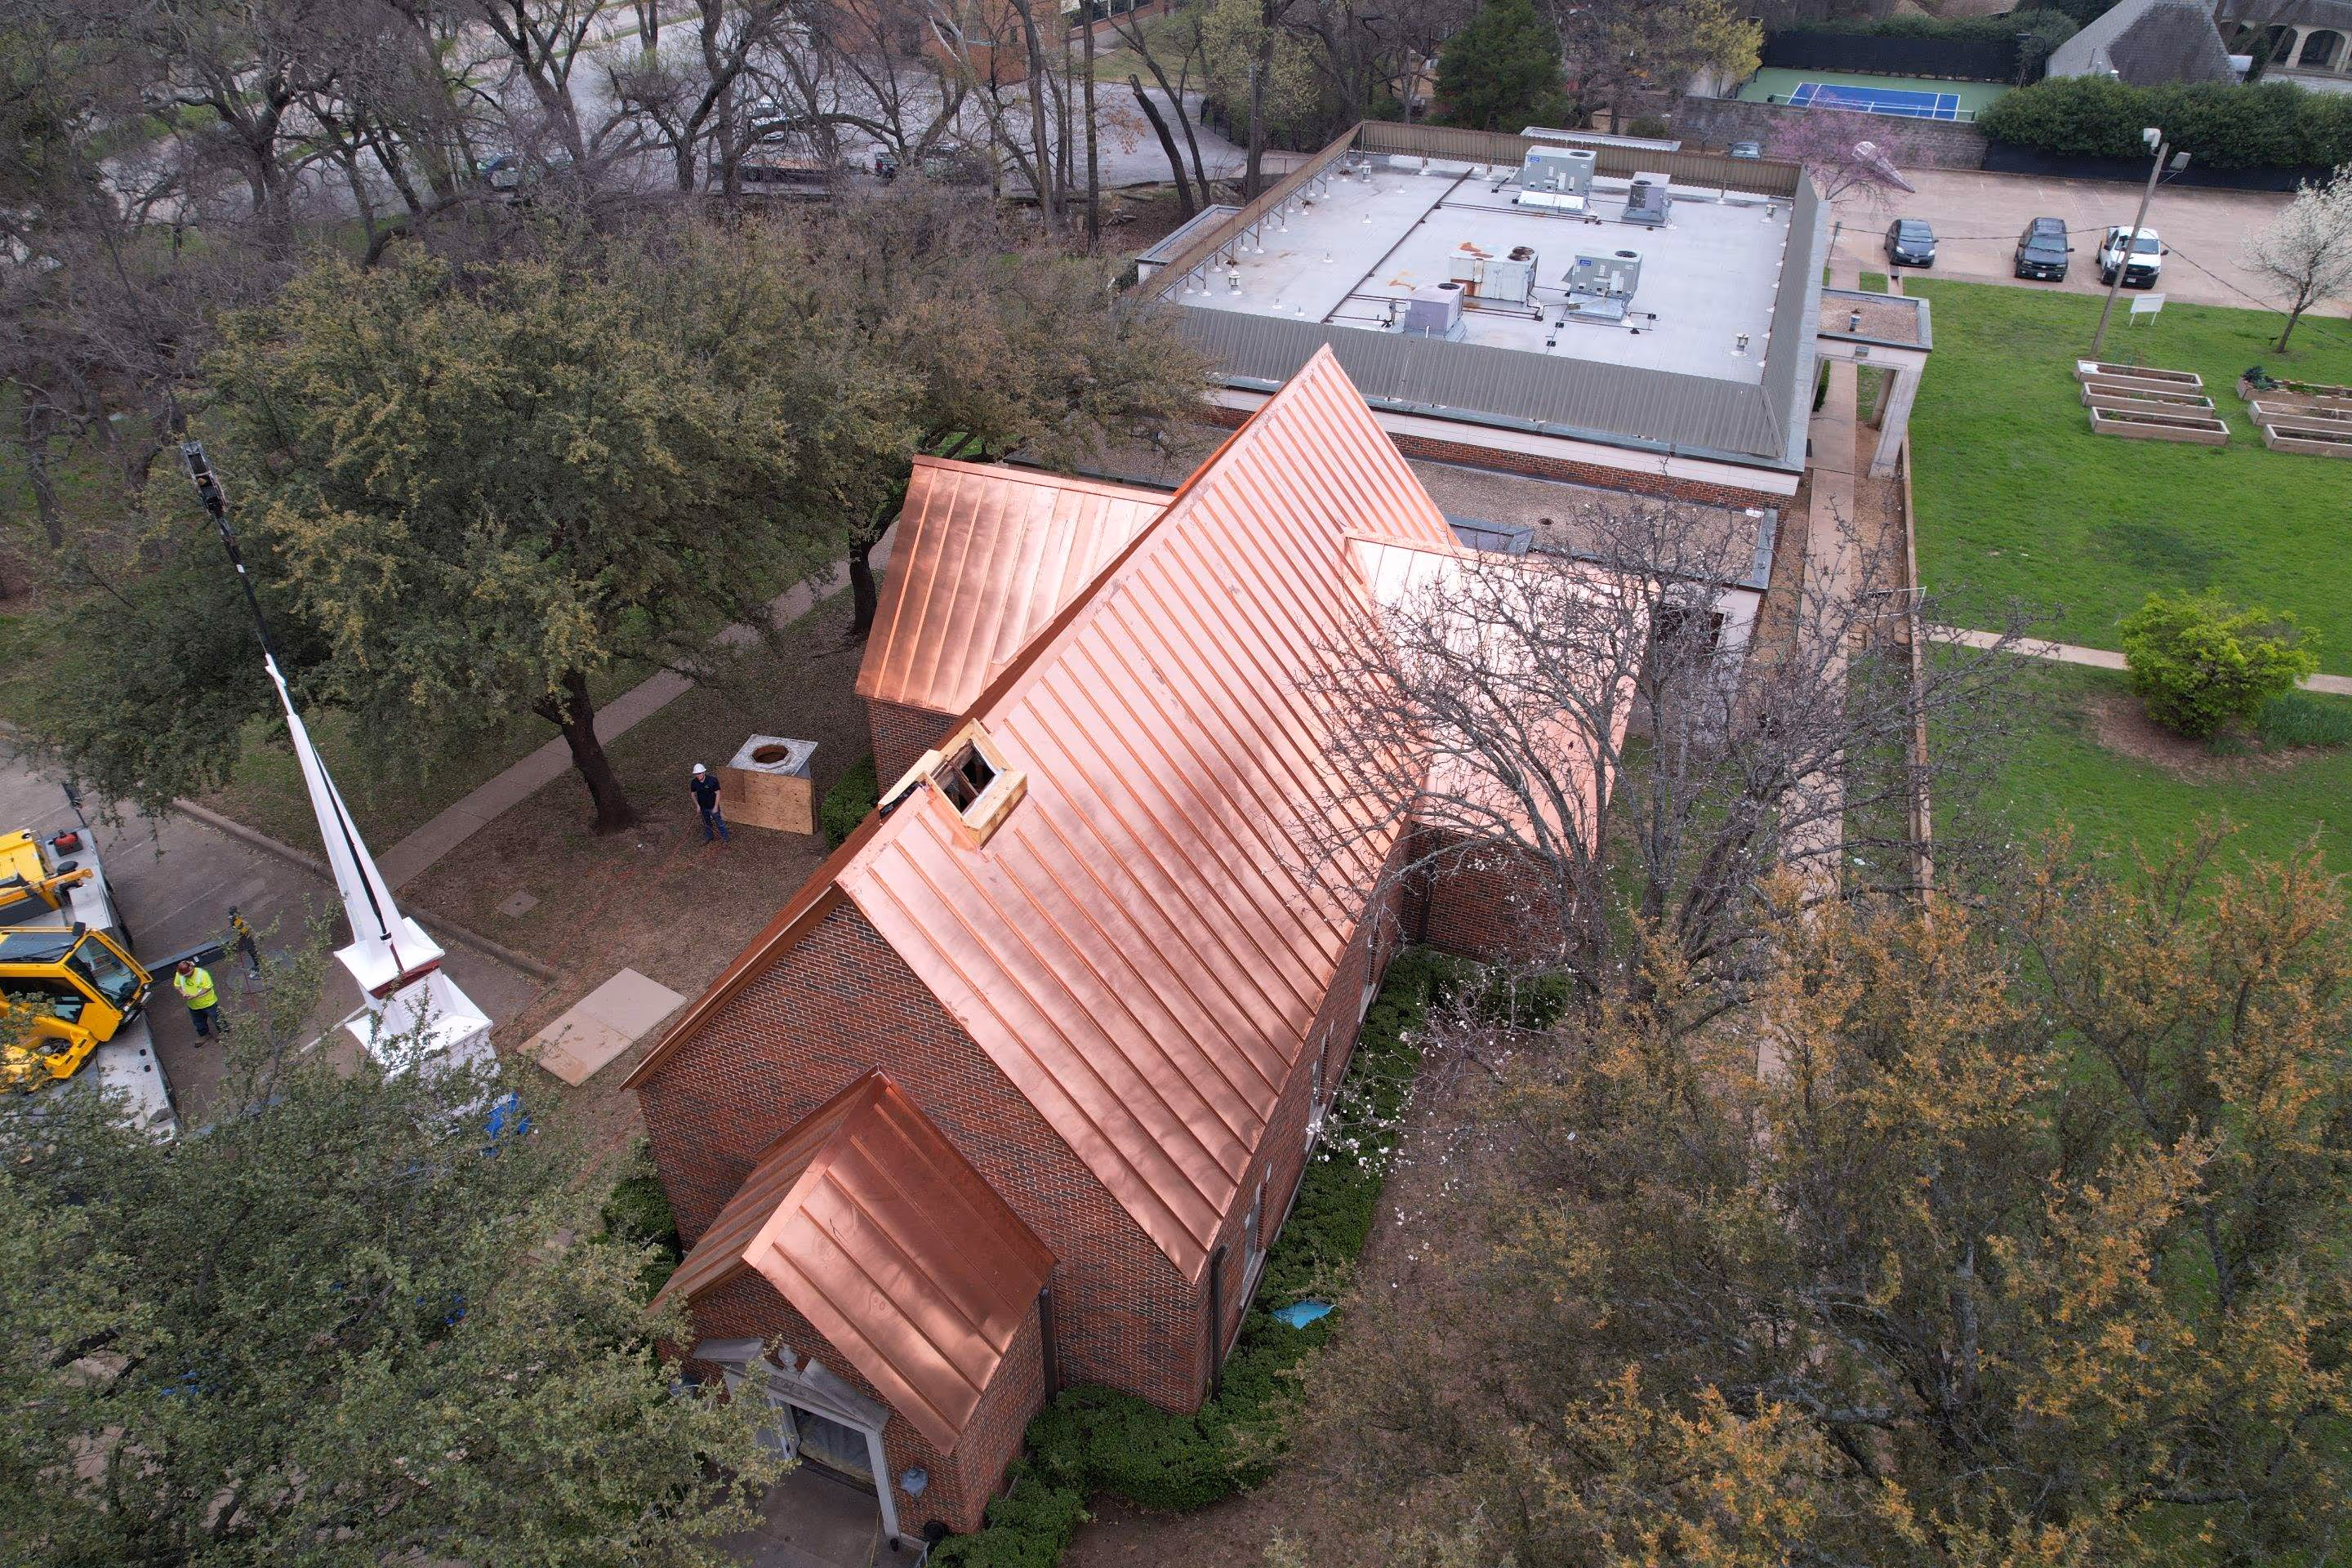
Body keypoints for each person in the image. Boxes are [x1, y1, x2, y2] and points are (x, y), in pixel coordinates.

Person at [175, 958, 226, 1040]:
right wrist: (183, 993)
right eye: (185, 975)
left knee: (217, 1018)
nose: (186, 976)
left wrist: (195, 996)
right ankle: (204, 1034)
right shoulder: (180, 974)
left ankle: (224, 1032)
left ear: (192, 968)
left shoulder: (202, 974)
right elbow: (177, 986)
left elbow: (207, 988)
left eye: (188, 974)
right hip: (193, 1005)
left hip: (208, 1003)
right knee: (198, 1022)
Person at [689, 763, 728, 843]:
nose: (698, 775)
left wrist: (716, 807)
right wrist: (697, 805)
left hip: (713, 806)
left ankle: (725, 839)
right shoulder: (694, 783)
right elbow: (693, 794)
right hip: (703, 808)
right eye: (696, 774)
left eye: (699, 773)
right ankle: (709, 836)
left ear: (704, 772)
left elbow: (718, 793)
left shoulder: (712, 780)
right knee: (706, 824)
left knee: (719, 823)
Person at [229, 906, 261, 979]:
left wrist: (236, 930)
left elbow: (241, 929)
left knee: (252, 951)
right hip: (244, 937)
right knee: (251, 951)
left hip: (245, 937)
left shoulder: (236, 918)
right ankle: (257, 964)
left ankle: (259, 967)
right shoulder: (234, 918)